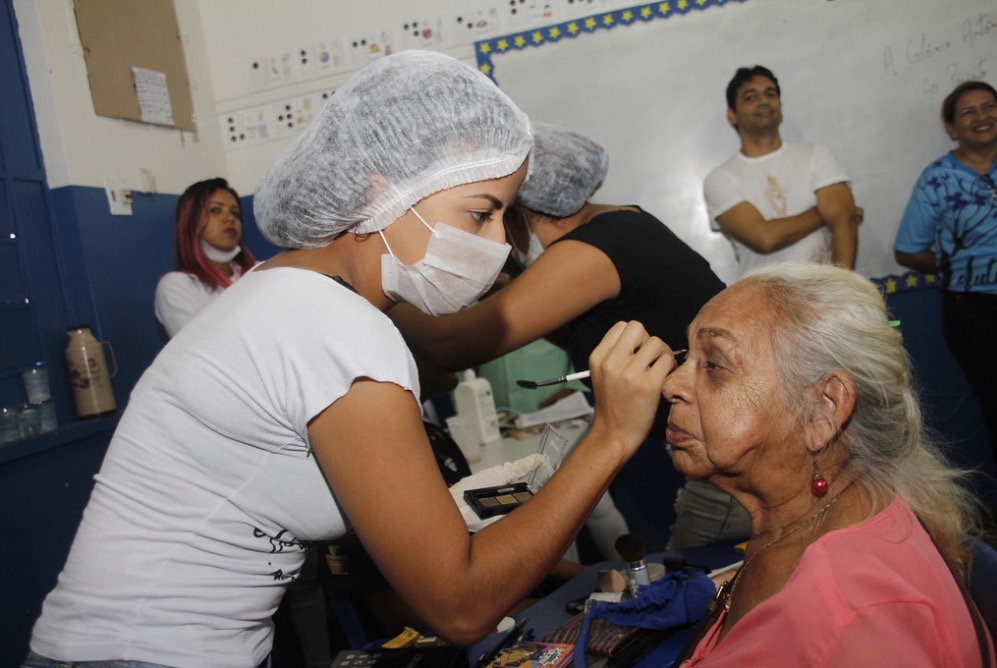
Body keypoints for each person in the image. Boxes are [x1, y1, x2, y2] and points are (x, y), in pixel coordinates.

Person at [23, 51, 679, 668]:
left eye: (503, 218)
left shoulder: (288, 293)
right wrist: (612, 435)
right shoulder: (334, 325)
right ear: (382, 191)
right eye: (480, 213)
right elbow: (460, 604)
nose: (494, 245)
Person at [390, 123, 749, 551]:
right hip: (724, 446)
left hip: (728, 456)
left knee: (690, 586)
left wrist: (384, 289)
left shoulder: (593, 249)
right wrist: (511, 287)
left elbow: (451, 345)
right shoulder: (621, 223)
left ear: (521, 211)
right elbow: (592, 339)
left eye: (493, 216)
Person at [665, 261, 994, 666]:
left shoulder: (857, 615)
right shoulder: (810, 522)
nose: (671, 385)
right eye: (687, 357)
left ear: (823, 409)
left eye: (714, 365)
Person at [893, 80, 997, 469]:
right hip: (974, 312)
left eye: (989, 106)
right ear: (952, 128)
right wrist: (957, 264)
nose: (982, 117)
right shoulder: (936, 179)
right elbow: (907, 250)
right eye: (968, 112)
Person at [704, 65, 861, 278]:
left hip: (827, 296)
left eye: (771, 94)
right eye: (750, 97)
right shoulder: (720, 179)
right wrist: (827, 212)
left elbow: (845, 222)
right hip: (765, 304)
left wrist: (842, 292)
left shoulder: (816, 155)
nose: (763, 101)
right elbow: (764, 238)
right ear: (732, 114)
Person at [154, 177, 257, 338]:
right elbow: (197, 348)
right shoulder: (177, 285)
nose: (230, 218)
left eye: (235, 213)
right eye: (216, 210)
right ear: (191, 221)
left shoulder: (259, 272)